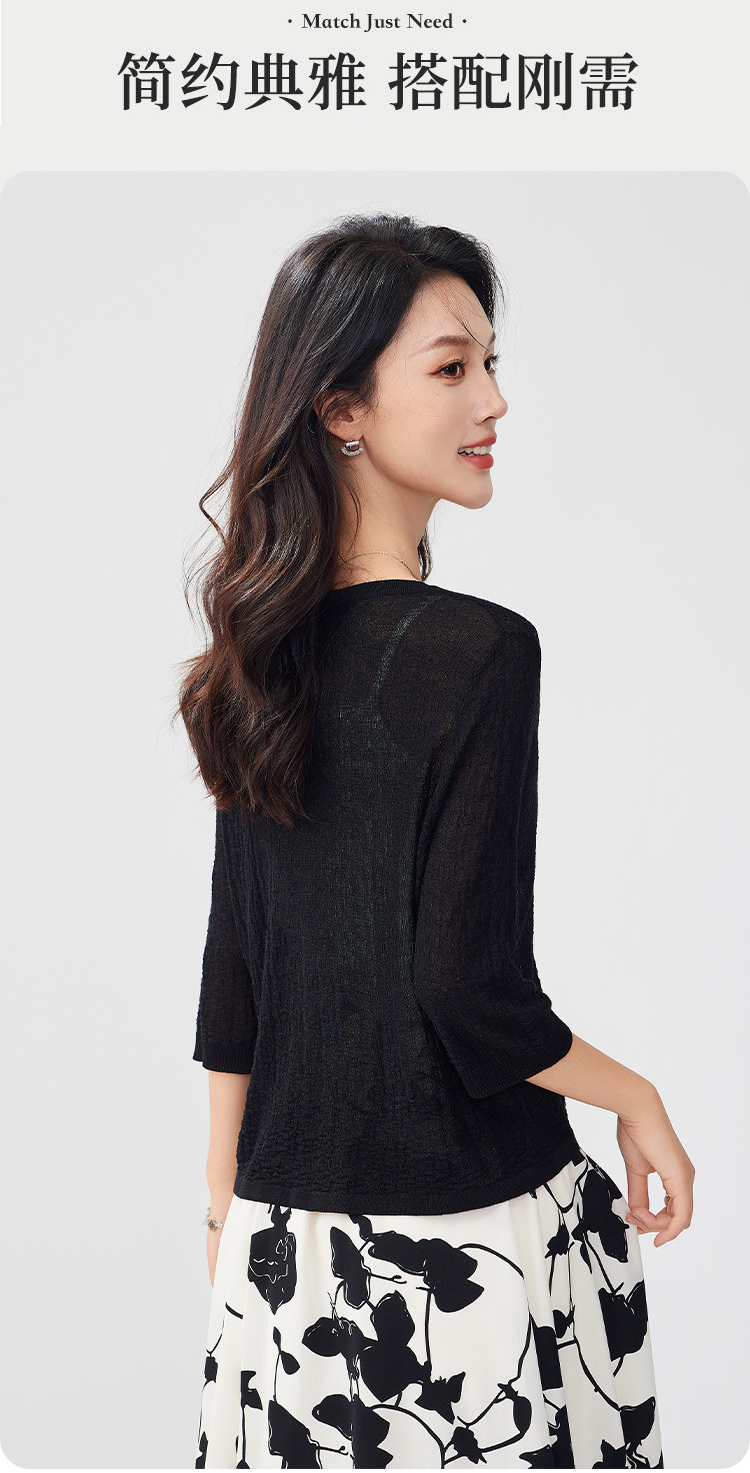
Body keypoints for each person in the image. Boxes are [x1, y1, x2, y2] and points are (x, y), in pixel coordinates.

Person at [178, 212, 693, 1469]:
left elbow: (236, 971)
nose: (494, 400)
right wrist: (639, 1097)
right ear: (342, 409)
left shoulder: (255, 660)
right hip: (470, 1247)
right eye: (454, 367)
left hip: (282, 1246)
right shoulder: (479, 650)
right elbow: (470, 991)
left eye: (491, 364)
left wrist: (226, 1207)